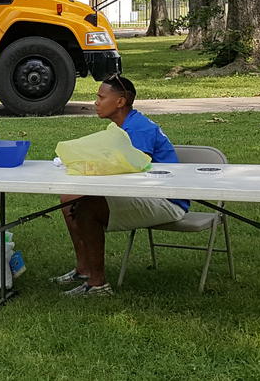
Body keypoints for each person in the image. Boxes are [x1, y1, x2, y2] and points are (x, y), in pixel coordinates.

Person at [51, 75, 187, 296]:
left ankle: (98, 284)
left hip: (166, 199)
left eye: (101, 97)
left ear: (121, 101)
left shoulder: (138, 129)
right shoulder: (122, 126)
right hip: (146, 194)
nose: (96, 102)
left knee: (86, 207)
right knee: (69, 198)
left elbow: (133, 174)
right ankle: (84, 270)